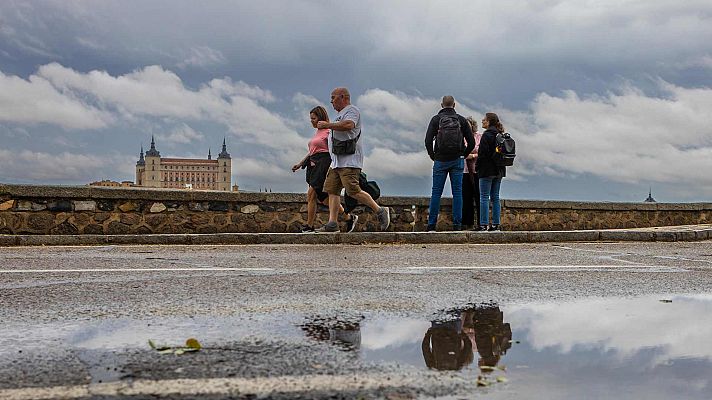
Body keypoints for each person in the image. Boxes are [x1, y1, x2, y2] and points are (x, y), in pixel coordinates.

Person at [316, 87, 390, 233]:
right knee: (332, 191)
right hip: (336, 162)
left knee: (353, 191)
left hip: (349, 161)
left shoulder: (352, 111)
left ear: (343, 97)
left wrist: (327, 125)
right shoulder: (340, 115)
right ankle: (332, 224)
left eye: (333, 97)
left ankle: (380, 211)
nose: (331, 101)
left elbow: (349, 125)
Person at [292, 106, 358, 233]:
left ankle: (309, 226)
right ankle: (349, 217)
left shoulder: (329, 131)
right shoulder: (317, 132)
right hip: (313, 164)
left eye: (314, 118)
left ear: (320, 118)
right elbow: (312, 151)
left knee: (311, 193)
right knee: (324, 199)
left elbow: (333, 149)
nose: (311, 121)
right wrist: (300, 163)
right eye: (310, 119)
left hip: (324, 164)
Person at [424, 96, 475, 231]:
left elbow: (428, 140)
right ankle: (457, 225)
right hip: (457, 160)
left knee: (436, 193)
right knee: (457, 193)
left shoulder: (436, 119)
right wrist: (463, 155)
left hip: (440, 160)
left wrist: (433, 156)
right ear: (454, 105)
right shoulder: (461, 120)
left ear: (442, 105)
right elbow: (472, 142)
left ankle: (431, 225)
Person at [475, 112, 507, 231]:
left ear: (488, 122)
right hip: (499, 170)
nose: (482, 120)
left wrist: (477, 168)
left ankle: (483, 224)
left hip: (486, 170)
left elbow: (482, 155)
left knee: (484, 197)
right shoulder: (500, 135)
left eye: (484, 119)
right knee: (495, 197)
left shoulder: (487, 135)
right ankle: (496, 224)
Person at [462, 116, 482, 229]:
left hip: (477, 170)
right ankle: (467, 223)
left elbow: (483, 153)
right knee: (466, 197)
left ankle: (481, 222)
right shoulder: (461, 138)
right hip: (465, 171)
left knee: (479, 196)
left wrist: (473, 156)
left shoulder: (480, 137)